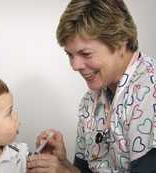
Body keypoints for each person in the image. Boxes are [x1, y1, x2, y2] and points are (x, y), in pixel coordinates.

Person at [27, 0, 156, 172]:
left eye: (85, 53)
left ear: (120, 42)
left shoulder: (150, 94)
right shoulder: (91, 101)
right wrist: (62, 163)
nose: (74, 65)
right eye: (70, 55)